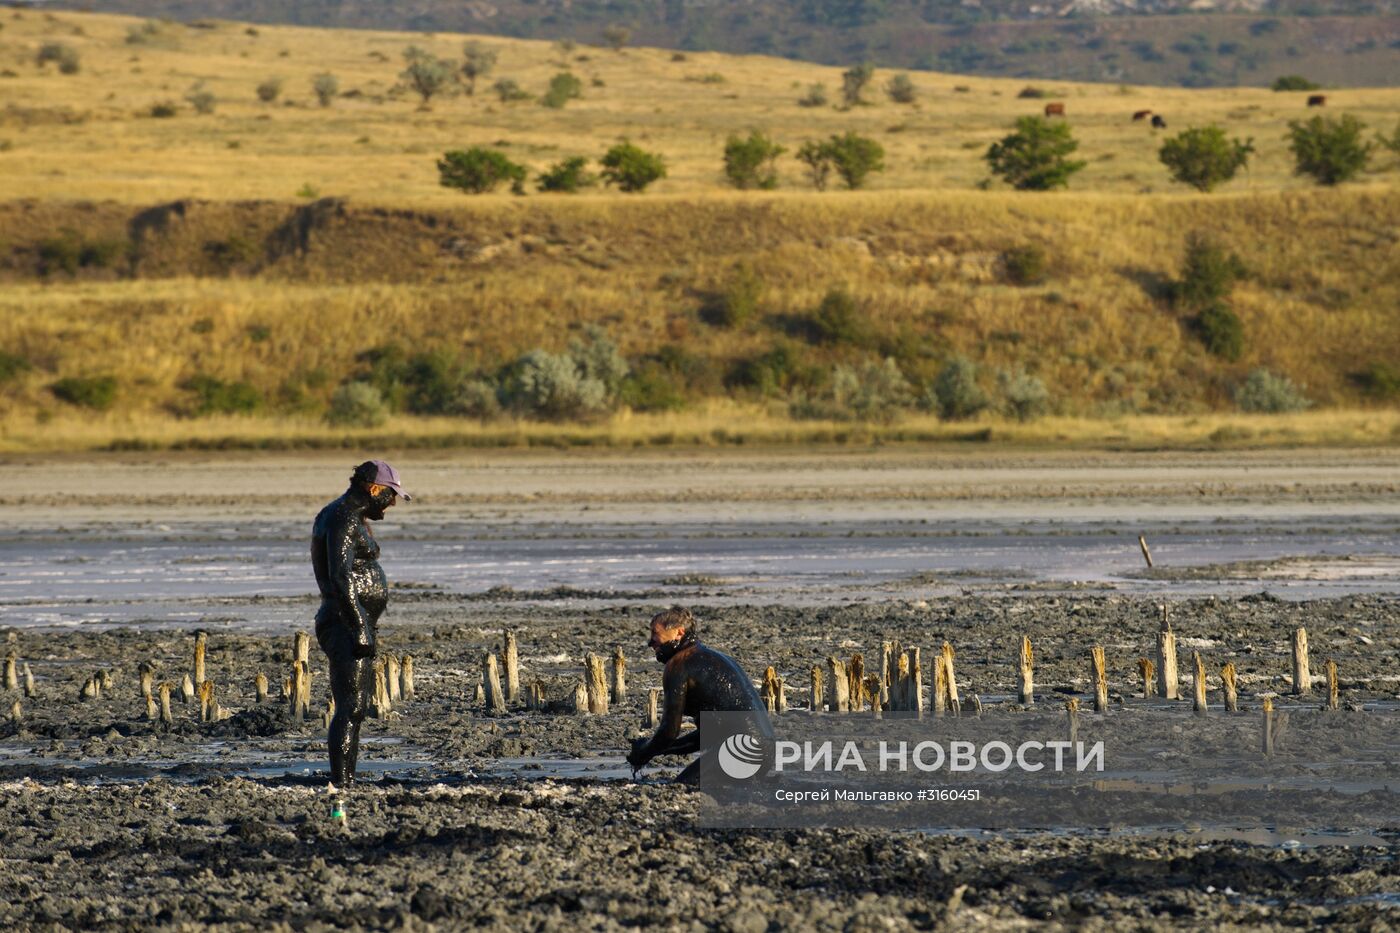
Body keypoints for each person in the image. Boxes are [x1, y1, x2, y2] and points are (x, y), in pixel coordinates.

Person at [311, 459, 411, 788]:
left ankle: (346, 778)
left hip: (348, 622)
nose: (393, 502)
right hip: (343, 623)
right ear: (373, 489)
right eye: (390, 494)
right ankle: (342, 783)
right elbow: (340, 578)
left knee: (355, 707)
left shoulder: (345, 516)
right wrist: (359, 626)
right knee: (351, 707)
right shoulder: (342, 517)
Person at [626, 606, 773, 785]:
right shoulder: (717, 658)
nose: (651, 642)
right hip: (765, 753)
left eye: (655, 633)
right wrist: (658, 750)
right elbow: (706, 736)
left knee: (681, 787)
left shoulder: (678, 665)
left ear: (679, 632)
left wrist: (643, 752)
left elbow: (669, 732)